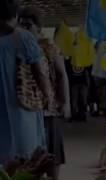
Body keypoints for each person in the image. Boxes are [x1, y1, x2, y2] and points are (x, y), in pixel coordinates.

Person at [18, 7, 70, 179]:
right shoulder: (16, 47)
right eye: (21, 24)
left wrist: (65, 102)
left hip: (49, 110)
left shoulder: (49, 47)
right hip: (27, 111)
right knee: (32, 157)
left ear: (38, 27)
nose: (24, 28)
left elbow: (62, 75)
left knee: (52, 153)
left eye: (28, 24)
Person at [0, 0, 49, 165]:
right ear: (15, 15)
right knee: (25, 155)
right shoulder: (23, 37)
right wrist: (48, 97)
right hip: (22, 105)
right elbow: (39, 73)